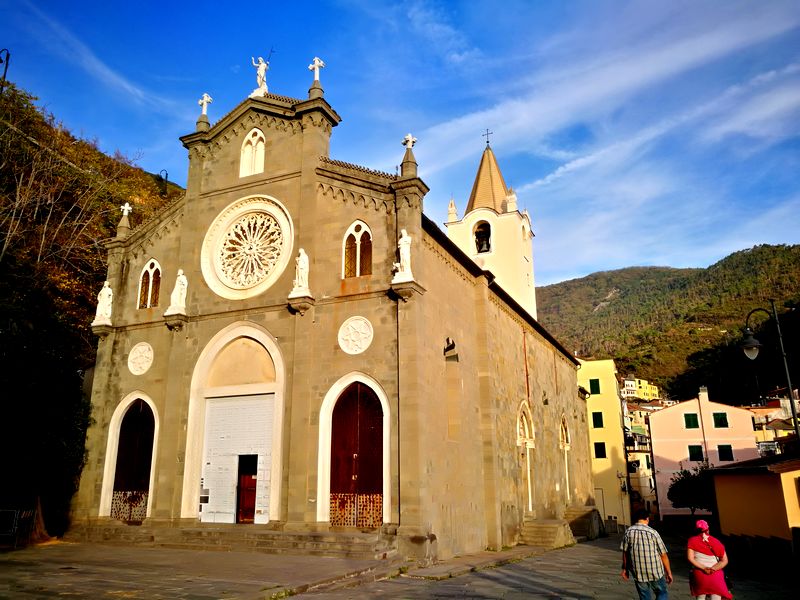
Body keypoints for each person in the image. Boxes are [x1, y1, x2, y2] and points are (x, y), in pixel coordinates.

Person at [621, 508, 673, 599]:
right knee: (662, 593)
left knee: (644, 596)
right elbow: (663, 554)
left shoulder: (628, 532)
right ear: (647, 519)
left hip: (638, 572)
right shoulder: (653, 532)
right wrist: (669, 572)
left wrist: (625, 569)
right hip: (655, 571)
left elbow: (625, 553)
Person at [687, 519, 732, 600]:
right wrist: (713, 569)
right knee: (716, 596)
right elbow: (725, 560)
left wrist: (704, 568)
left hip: (700, 574)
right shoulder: (717, 542)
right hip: (716, 575)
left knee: (700, 596)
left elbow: (690, 558)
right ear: (708, 529)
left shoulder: (692, 541)